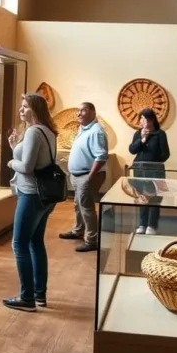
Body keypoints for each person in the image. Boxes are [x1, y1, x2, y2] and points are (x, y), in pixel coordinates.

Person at [2, 93, 58, 312]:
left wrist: (10, 160)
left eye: (25, 106)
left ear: (36, 108)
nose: (21, 110)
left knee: (19, 244)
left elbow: (26, 167)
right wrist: (15, 146)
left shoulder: (34, 131)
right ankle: (39, 294)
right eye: (21, 106)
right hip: (43, 195)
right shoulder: (47, 131)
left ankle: (26, 297)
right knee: (35, 243)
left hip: (32, 194)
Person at [59, 102, 108, 252]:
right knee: (78, 205)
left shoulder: (96, 131)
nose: (79, 113)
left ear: (93, 113)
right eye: (78, 111)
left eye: (83, 110)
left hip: (87, 175)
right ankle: (78, 230)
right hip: (78, 175)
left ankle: (92, 239)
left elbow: (101, 157)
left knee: (87, 208)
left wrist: (90, 177)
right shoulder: (83, 128)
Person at [128, 108, 170, 235]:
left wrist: (154, 159)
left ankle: (151, 225)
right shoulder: (138, 134)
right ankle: (142, 224)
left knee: (154, 198)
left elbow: (165, 154)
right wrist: (142, 140)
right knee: (142, 198)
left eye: (144, 118)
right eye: (140, 118)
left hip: (155, 171)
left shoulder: (160, 134)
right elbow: (132, 150)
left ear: (151, 120)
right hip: (140, 170)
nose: (142, 121)